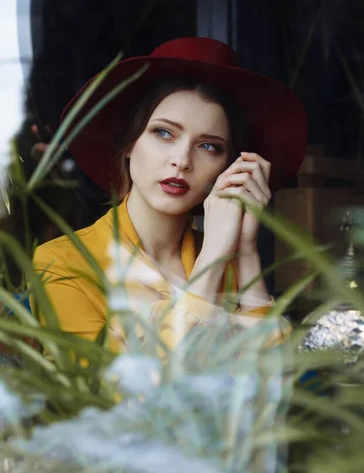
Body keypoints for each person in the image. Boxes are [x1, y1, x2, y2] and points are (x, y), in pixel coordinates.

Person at [32, 37, 307, 354]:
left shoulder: (231, 264)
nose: (182, 159)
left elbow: (277, 387)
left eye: (209, 146)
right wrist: (213, 259)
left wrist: (245, 252)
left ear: (228, 168)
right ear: (129, 142)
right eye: (164, 133)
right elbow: (123, 397)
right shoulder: (62, 263)